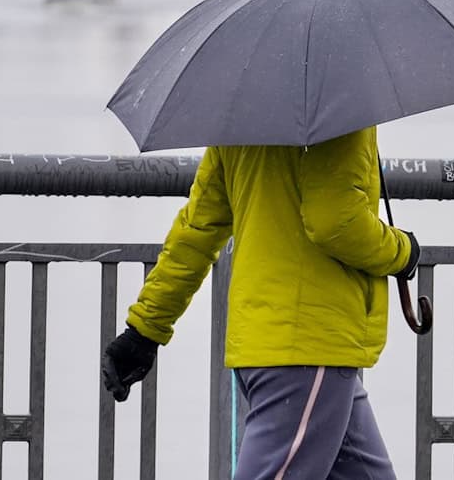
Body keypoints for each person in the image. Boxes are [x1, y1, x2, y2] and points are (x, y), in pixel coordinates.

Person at [101, 125, 418, 480]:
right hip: (308, 349)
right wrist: (402, 251)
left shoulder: (240, 116)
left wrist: (145, 329)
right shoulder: (340, 112)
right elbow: (335, 223)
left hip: (269, 347)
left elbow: (198, 229)